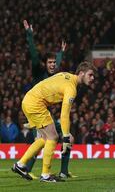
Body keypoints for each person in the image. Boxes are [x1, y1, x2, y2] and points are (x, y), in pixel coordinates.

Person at [11, 61, 96, 182]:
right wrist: (66, 136)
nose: (92, 78)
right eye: (90, 75)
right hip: (36, 103)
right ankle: (45, 175)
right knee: (53, 137)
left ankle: (20, 164)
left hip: (29, 100)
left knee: (45, 138)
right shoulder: (71, 88)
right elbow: (64, 114)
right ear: (81, 73)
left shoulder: (66, 75)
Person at [22, 20, 74, 179]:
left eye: (54, 63)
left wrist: (61, 53)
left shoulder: (54, 75)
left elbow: (57, 63)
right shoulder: (39, 72)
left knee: (65, 138)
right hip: (36, 109)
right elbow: (33, 54)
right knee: (43, 140)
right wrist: (30, 35)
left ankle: (63, 171)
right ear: (44, 64)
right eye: (50, 63)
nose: (53, 65)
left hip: (46, 112)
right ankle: (25, 168)